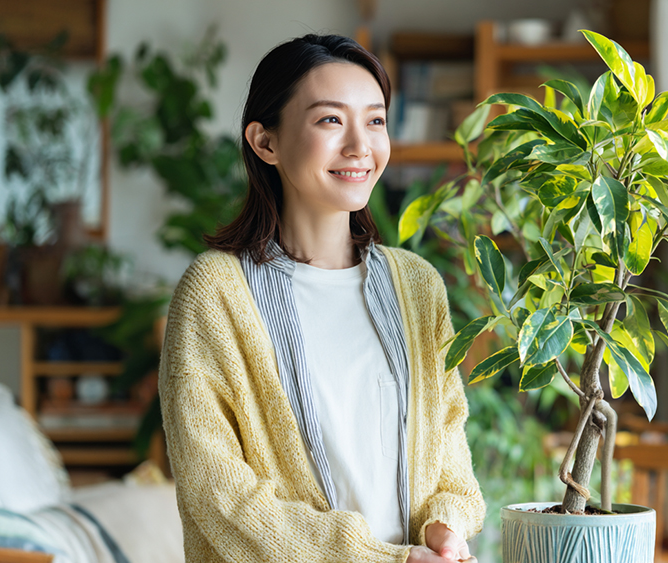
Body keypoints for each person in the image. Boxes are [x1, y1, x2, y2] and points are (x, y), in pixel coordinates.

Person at [158, 34, 485, 563]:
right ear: (265, 142)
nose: (360, 146)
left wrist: (446, 526)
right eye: (331, 120)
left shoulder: (417, 287)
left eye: (375, 121)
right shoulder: (216, 294)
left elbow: (449, 446)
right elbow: (217, 495)